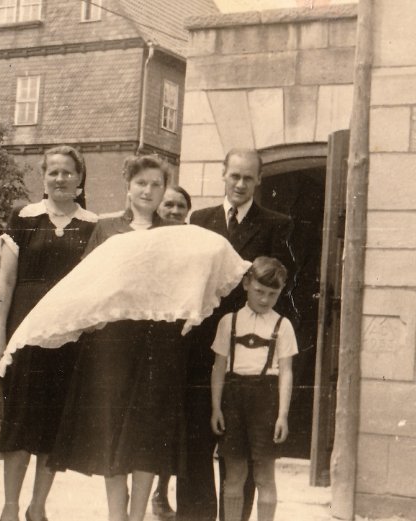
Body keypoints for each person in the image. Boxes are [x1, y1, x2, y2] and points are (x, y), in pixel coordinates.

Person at [48, 155, 183, 521]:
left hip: (156, 341)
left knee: (146, 432)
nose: (148, 191)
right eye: (141, 183)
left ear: (164, 190)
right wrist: (90, 319)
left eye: (156, 184)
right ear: (128, 186)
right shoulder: (106, 228)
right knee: (112, 428)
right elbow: (87, 280)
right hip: (112, 343)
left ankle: (136, 517)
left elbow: (181, 284)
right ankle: (116, 516)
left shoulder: (173, 232)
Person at [178, 148, 294, 521]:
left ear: (259, 180)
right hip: (203, 348)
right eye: (235, 176)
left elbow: (278, 288)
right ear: (223, 174)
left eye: (248, 177)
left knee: (240, 452)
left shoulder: (276, 224)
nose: (240, 184)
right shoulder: (200, 220)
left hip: (249, 353)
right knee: (197, 442)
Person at [0, 145, 98, 521]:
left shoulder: (92, 225)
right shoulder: (23, 217)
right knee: (19, 421)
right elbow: (6, 281)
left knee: (54, 425)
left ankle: (37, 507)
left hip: (68, 338)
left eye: (68, 172)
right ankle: (9, 506)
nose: (60, 178)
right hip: (25, 333)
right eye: (53, 172)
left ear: (80, 178)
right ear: (43, 177)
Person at [210, 257, 297, 521]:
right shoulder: (229, 322)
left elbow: (286, 372)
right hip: (233, 403)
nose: (264, 299)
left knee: (264, 476)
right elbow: (218, 367)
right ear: (246, 284)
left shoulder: (283, 325)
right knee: (235, 475)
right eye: (259, 291)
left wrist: (282, 415)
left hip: (266, 403)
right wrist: (216, 408)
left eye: (272, 294)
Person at [151, 184, 193, 519]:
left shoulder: (193, 244)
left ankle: (161, 490)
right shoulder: (146, 238)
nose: (175, 211)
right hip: (145, 335)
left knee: (171, 420)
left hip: (180, 336)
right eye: (169, 205)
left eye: (181, 206)